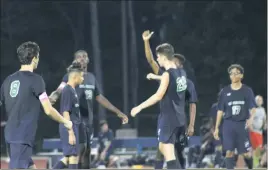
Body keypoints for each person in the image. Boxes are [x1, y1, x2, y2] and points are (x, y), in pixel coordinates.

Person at [49, 50, 128, 169]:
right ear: (75, 60)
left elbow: (100, 97)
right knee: (74, 154)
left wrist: (118, 112)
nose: (82, 58)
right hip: (74, 121)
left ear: (88, 60)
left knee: (85, 153)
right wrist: (54, 95)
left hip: (87, 122)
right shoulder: (70, 76)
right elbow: (61, 88)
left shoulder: (91, 77)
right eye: (79, 57)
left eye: (84, 56)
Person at [0, 41, 72, 169]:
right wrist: (65, 122)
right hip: (22, 136)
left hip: (11, 135)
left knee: (31, 167)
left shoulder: (8, 80)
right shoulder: (36, 79)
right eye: (38, 56)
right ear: (34, 58)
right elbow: (48, 110)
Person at [142, 30, 197, 169]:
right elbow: (151, 61)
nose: (174, 62)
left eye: (177, 61)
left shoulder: (186, 82)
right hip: (171, 120)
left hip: (177, 122)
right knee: (161, 151)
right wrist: (146, 42)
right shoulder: (166, 74)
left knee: (176, 152)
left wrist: (191, 125)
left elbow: (192, 104)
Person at [131, 43, 187, 169]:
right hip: (178, 117)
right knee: (163, 147)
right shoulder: (181, 73)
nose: (157, 59)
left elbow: (158, 96)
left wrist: (139, 107)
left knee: (169, 153)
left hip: (168, 117)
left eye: (158, 57)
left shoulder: (168, 74)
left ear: (164, 57)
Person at [213, 64, 256, 169]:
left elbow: (253, 109)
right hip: (228, 124)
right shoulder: (225, 91)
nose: (233, 75)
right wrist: (217, 128)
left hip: (242, 124)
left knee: (246, 153)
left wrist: (251, 119)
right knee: (229, 152)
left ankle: (250, 166)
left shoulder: (247, 91)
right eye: (231, 73)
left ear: (241, 76)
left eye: (236, 73)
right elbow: (220, 110)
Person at [53, 61, 84, 169]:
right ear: (75, 76)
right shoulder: (67, 90)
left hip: (73, 126)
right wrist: (71, 132)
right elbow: (65, 112)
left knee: (68, 157)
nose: (83, 79)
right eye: (81, 76)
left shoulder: (72, 90)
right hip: (69, 127)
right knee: (73, 156)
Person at [249, 95, 266, 167]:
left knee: (257, 148)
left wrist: (264, 125)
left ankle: (254, 163)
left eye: (261, 100)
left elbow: (264, 119)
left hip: (260, 132)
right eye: (258, 100)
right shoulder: (253, 110)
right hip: (254, 131)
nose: (260, 101)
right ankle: (255, 164)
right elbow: (250, 120)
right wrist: (251, 128)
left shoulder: (263, 110)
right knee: (257, 147)